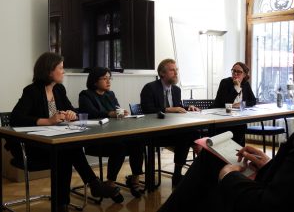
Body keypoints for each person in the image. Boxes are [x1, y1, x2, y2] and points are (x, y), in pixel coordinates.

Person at [8, 52, 119, 212]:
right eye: (60, 68)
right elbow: (16, 118)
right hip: (34, 147)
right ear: (48, 71)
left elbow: (71, 110)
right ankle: (89, 187)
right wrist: (46, 121)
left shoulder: (59, 89)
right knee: (67, 152)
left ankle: (63, 204)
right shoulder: (32, 91)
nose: (64, 71)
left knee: (66, 152)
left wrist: (71, 114)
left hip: (55, 143)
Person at [157, 127, 294, 212]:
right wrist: (268, 166)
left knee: (209, 160)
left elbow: (268, 205)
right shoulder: (226, 84)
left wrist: (228, 175)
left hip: (260, 201)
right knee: (211, 157)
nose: (236, 74)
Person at [79, 67, 145, 201]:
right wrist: (109, 113)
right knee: (119, 147)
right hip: (96, 140)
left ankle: (135, 180)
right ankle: (110, 184)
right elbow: (90, 113)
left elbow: (117, 110)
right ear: (94, 81)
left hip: (114, 134)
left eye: (110, 78)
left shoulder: (111, 94)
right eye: (104, 78)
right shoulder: (85, 95)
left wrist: (122, 112)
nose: (108, 81)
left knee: (137, 141)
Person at [140, 58, 199, 187]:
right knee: (188, 136)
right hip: (156, 132)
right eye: (172, 70)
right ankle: (180, 174)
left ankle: (182, 173)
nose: (176, 73)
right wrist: (168, 109)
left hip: (175, 130)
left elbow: (178, 106)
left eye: (176, 70)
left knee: (194, 134)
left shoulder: (176, 90)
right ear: (162, 73)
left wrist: (189, 108)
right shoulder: (150, 88)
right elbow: (147, 110)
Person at [211, 62, 256, 146]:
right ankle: (232, 151)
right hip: (222, 118)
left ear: (244, 74)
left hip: (237, 117)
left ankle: (237, 152)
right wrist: (237, 88)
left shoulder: (245, 84)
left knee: (241, 125)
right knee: (240, 127)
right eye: (233, 71)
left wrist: (241, 104)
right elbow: (226, 102)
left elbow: (253, 101)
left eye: (239, 72)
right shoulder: (225, 82)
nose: (235, 73)